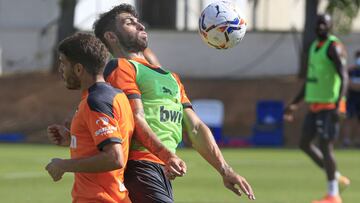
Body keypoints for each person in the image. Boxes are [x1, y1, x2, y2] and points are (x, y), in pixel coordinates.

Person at [93, 4, 255, 203]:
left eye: (138, 21)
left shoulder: (172, 78)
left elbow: (195, 128)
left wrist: (225, 170)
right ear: (111, 37)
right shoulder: (121, 67)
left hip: (160, 171)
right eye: (129, 23)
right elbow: (135, 117)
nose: (140, 25)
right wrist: (167, 156)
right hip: (139, 167)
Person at [45, 33, 135, 203]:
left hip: (100, 198)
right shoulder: (116, 95)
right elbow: (110, 143)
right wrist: (74, 140)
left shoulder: (96, 101)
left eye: (63, 63)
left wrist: (64, 165)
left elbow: (114, 158)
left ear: (78, 69)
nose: (61, 70)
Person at [284, 14, 350, 203]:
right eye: (318, 23)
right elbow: (310, 81)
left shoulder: (333, 47)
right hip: (314, 105)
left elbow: (344, 76)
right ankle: (336, 178)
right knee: (304, 143)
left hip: (330, 106)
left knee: (325, 146)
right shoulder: (313, 47)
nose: (321, 26)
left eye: (325, 23)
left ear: (330, 26)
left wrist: (341, 104)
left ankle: (333, 194)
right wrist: (295, 103)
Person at [342, 50, 360, 147]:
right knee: (348, 119)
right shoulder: (350, 70)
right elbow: (348, 84)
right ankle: (346, 141)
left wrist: (355, 86)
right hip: (351, 99)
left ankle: (358, 141)